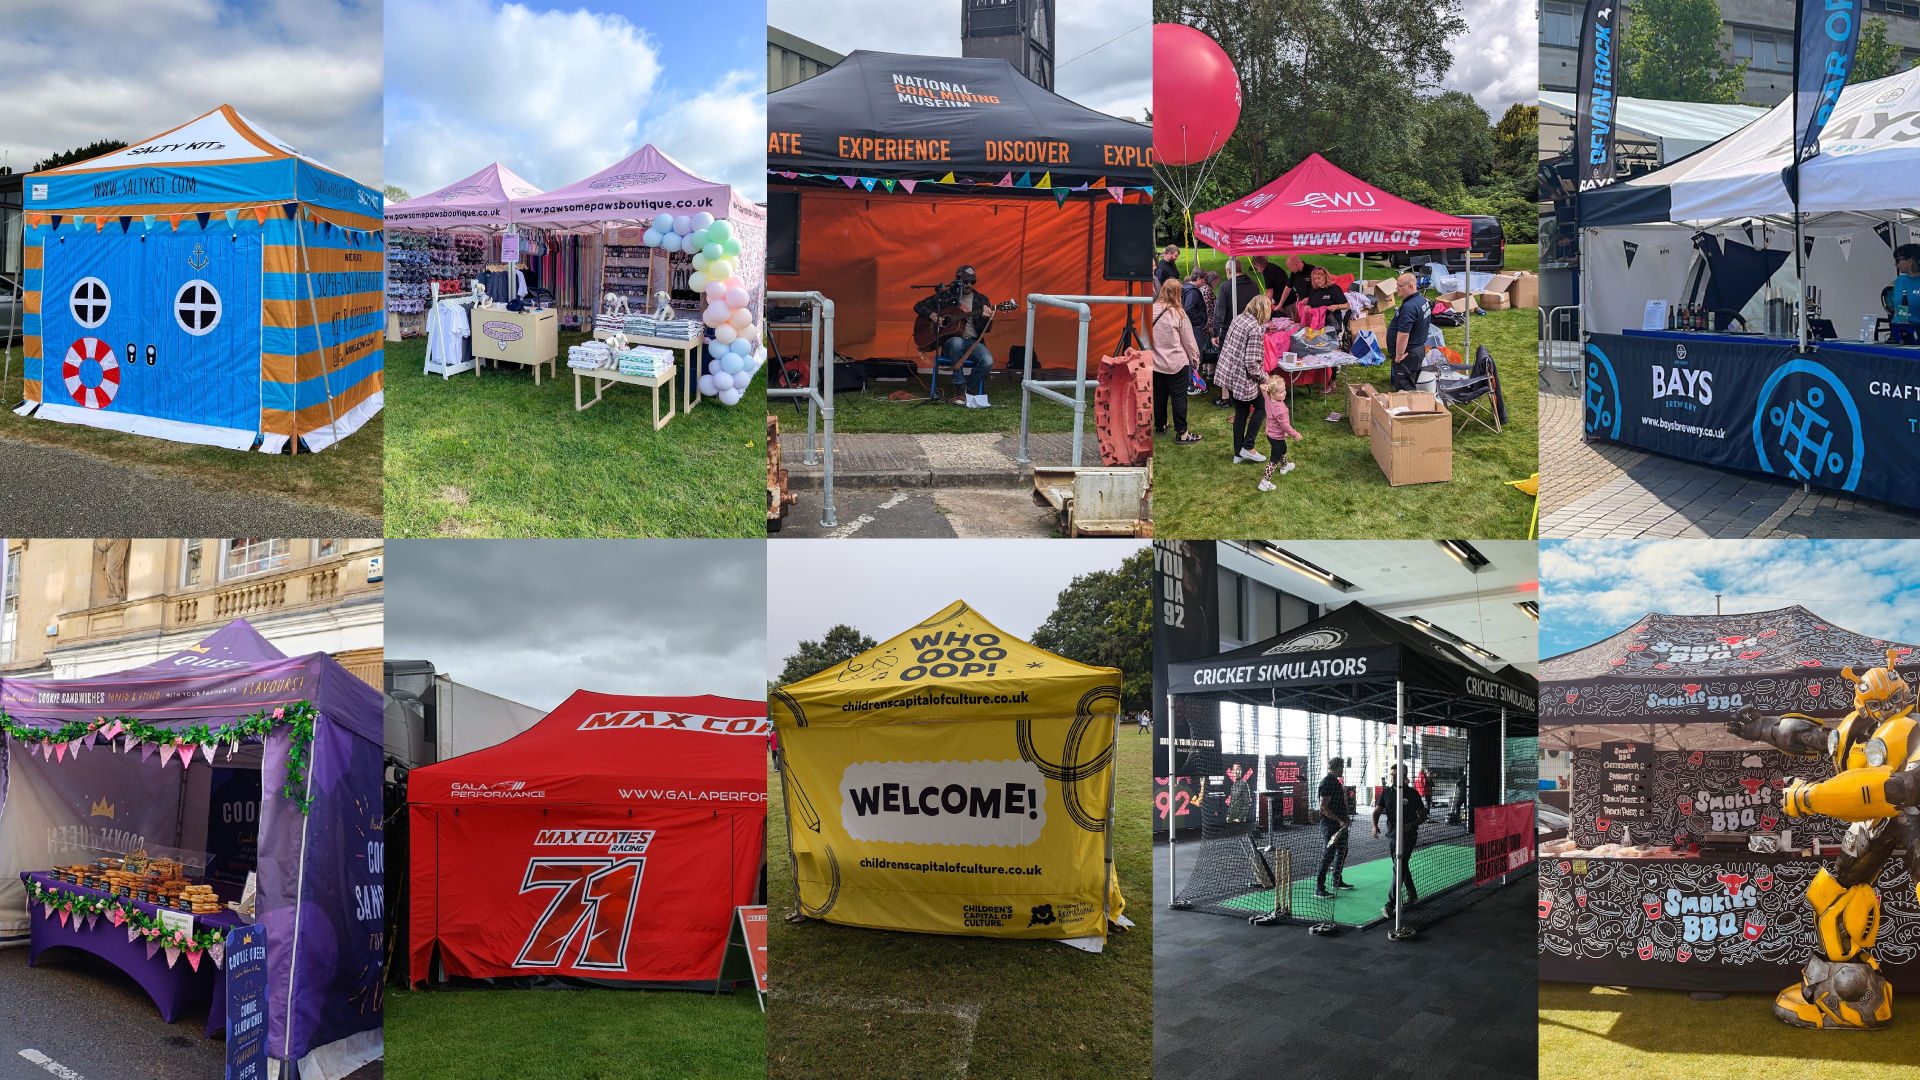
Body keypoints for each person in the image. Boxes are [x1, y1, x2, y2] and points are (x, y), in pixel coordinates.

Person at [914, 265, 998, 408]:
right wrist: (933, 315)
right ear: (958, 281)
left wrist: (986, 318)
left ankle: (966, 388)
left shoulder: (981, 300)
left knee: (988, 361)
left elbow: (987, 329)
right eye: (965, 282)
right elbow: (918, 305)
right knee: (956, 343)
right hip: (951, 343)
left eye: (972, 282)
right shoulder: (946, 296)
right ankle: (959, 387)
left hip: (973, 342)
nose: (969, 285)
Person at [1215, 292, 1273, 464]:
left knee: (1241, 413)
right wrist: (1265, 378)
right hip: (1242, 377)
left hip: (1230, 374)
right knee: (1262, 408)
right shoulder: (1254, 329)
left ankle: (1237, 454)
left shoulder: (1238, 319)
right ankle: (1248, 446)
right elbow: (1251, 363)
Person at [1150, 276, 1203, 444]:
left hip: (1156, 362)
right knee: (1179, 398)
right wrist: (1195, 358)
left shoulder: (1150, 309)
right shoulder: (1178, 314)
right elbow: (1189, 341)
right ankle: (1182, 433)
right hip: (1176, 363)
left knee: (1159, 396)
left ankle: (1160, 425)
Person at [1372, 764, 1429, 920]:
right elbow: (1376, 811)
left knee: (1399, 865)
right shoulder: (1386, 792)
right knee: (1401, 866)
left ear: (1404, 776)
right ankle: (1412, 894)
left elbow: (1423, 815)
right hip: (1392, 834)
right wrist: (1374, 826)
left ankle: (1391, 903)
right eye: (1391, 774)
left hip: (1409, 835)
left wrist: (1411, 825)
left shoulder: (1412, 793)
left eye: (1396, 775)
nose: (1393, 777)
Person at [1313, 757, 1356, 898]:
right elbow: (1323, 808)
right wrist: (1339, 820)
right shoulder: (1327, 782)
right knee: (1329, 854)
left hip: (1340, 824)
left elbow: (1339, 804)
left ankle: (1337, 881)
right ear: (1336, 767)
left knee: (1343, 850)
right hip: (1330, 826)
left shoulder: (1336, 782)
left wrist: (1345, 818)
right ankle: (1319, 888)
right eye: (1341, 767)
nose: (1342, 770)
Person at [1256, 372, 1303, 490]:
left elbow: (1264, 389)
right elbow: (1285, 426)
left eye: (1284, 390)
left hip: (1271, 433)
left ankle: (1284, 466)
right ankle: (1265, 482)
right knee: (1274, 458)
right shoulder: (1280, 410)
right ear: (1272, 393)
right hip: (1276, 436)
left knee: (1283, 448)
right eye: (1281, 392)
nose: (1285, 393)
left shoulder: (1267, 397)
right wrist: (1295, 434)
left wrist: (1266, 380)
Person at [1386, 273, 1432, 392]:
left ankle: (1407, 410)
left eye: (1400, 286)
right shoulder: (1422, 300)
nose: (1397, 289)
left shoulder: (1410, 307)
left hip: (1408, 354)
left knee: (1405, 391)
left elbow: (1403, 334)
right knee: (1409, 383)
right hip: (1416, 350)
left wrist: (1399, 355)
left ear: (1411, 287)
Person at [1892, 244, 1920, 344]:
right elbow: (1896, 309)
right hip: (1899, 330)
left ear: (1910, 261)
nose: (1896, 265)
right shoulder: (1898, 281)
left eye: (1897, 260)